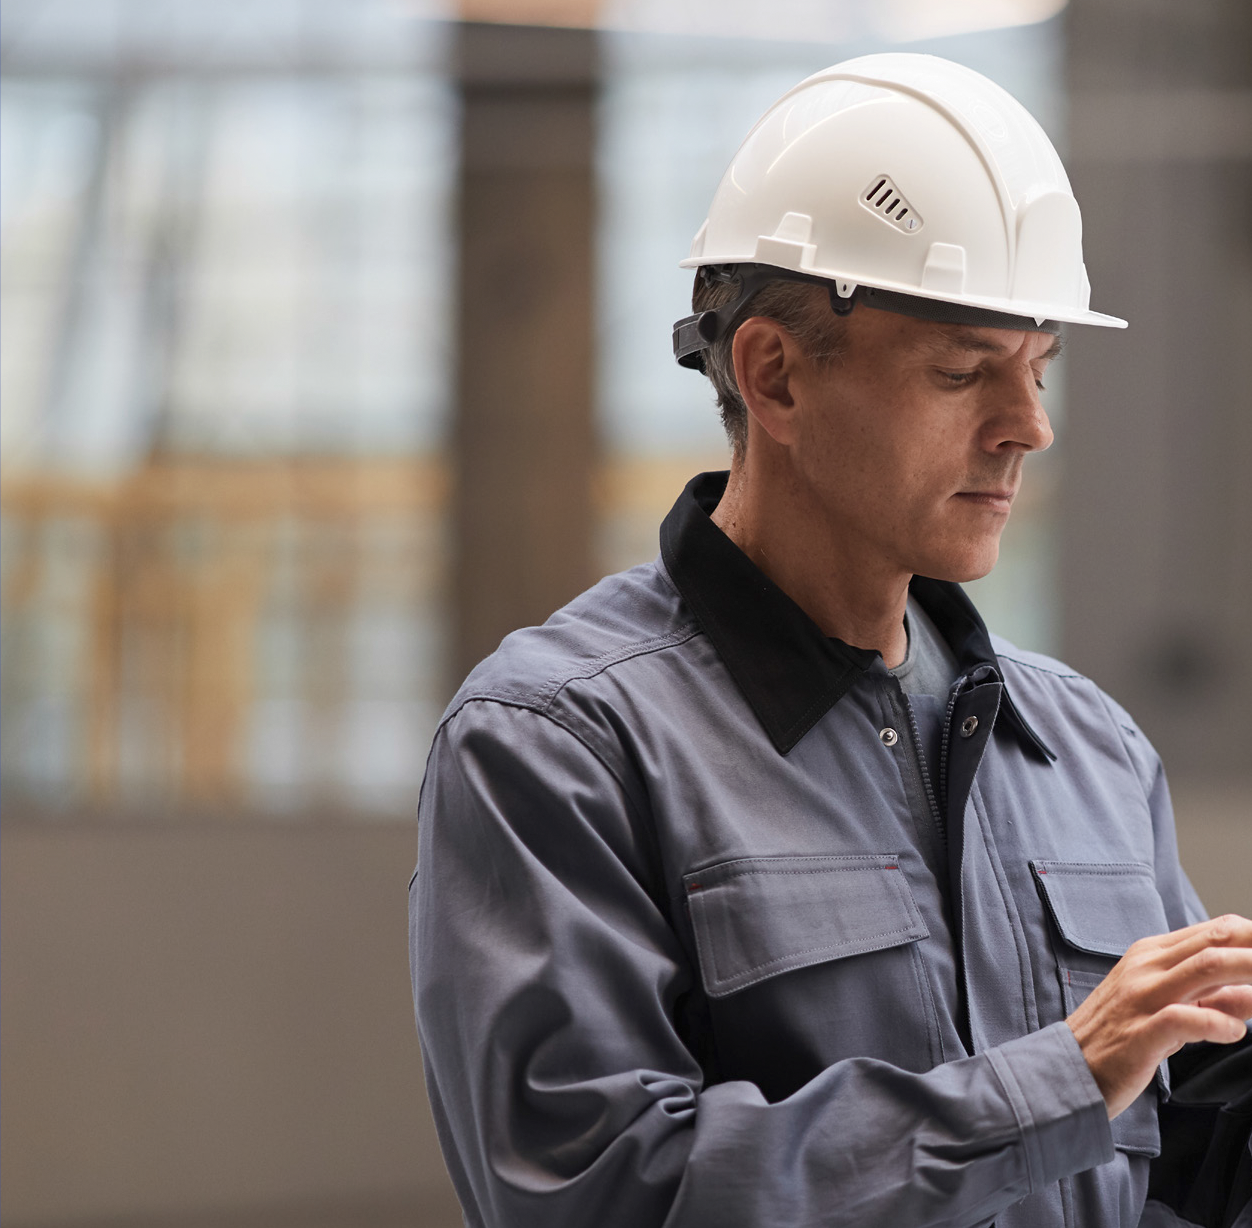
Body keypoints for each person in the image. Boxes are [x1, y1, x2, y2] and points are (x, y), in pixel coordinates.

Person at [410, 54, 1252, 1226]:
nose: (1028, 427)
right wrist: (1054, 1080)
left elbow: (1182, 1152)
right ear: (775, 375)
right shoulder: (562, 746)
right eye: (965, 372)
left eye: (1038, 369)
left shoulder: (1086, 749)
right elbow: (602, 1189)